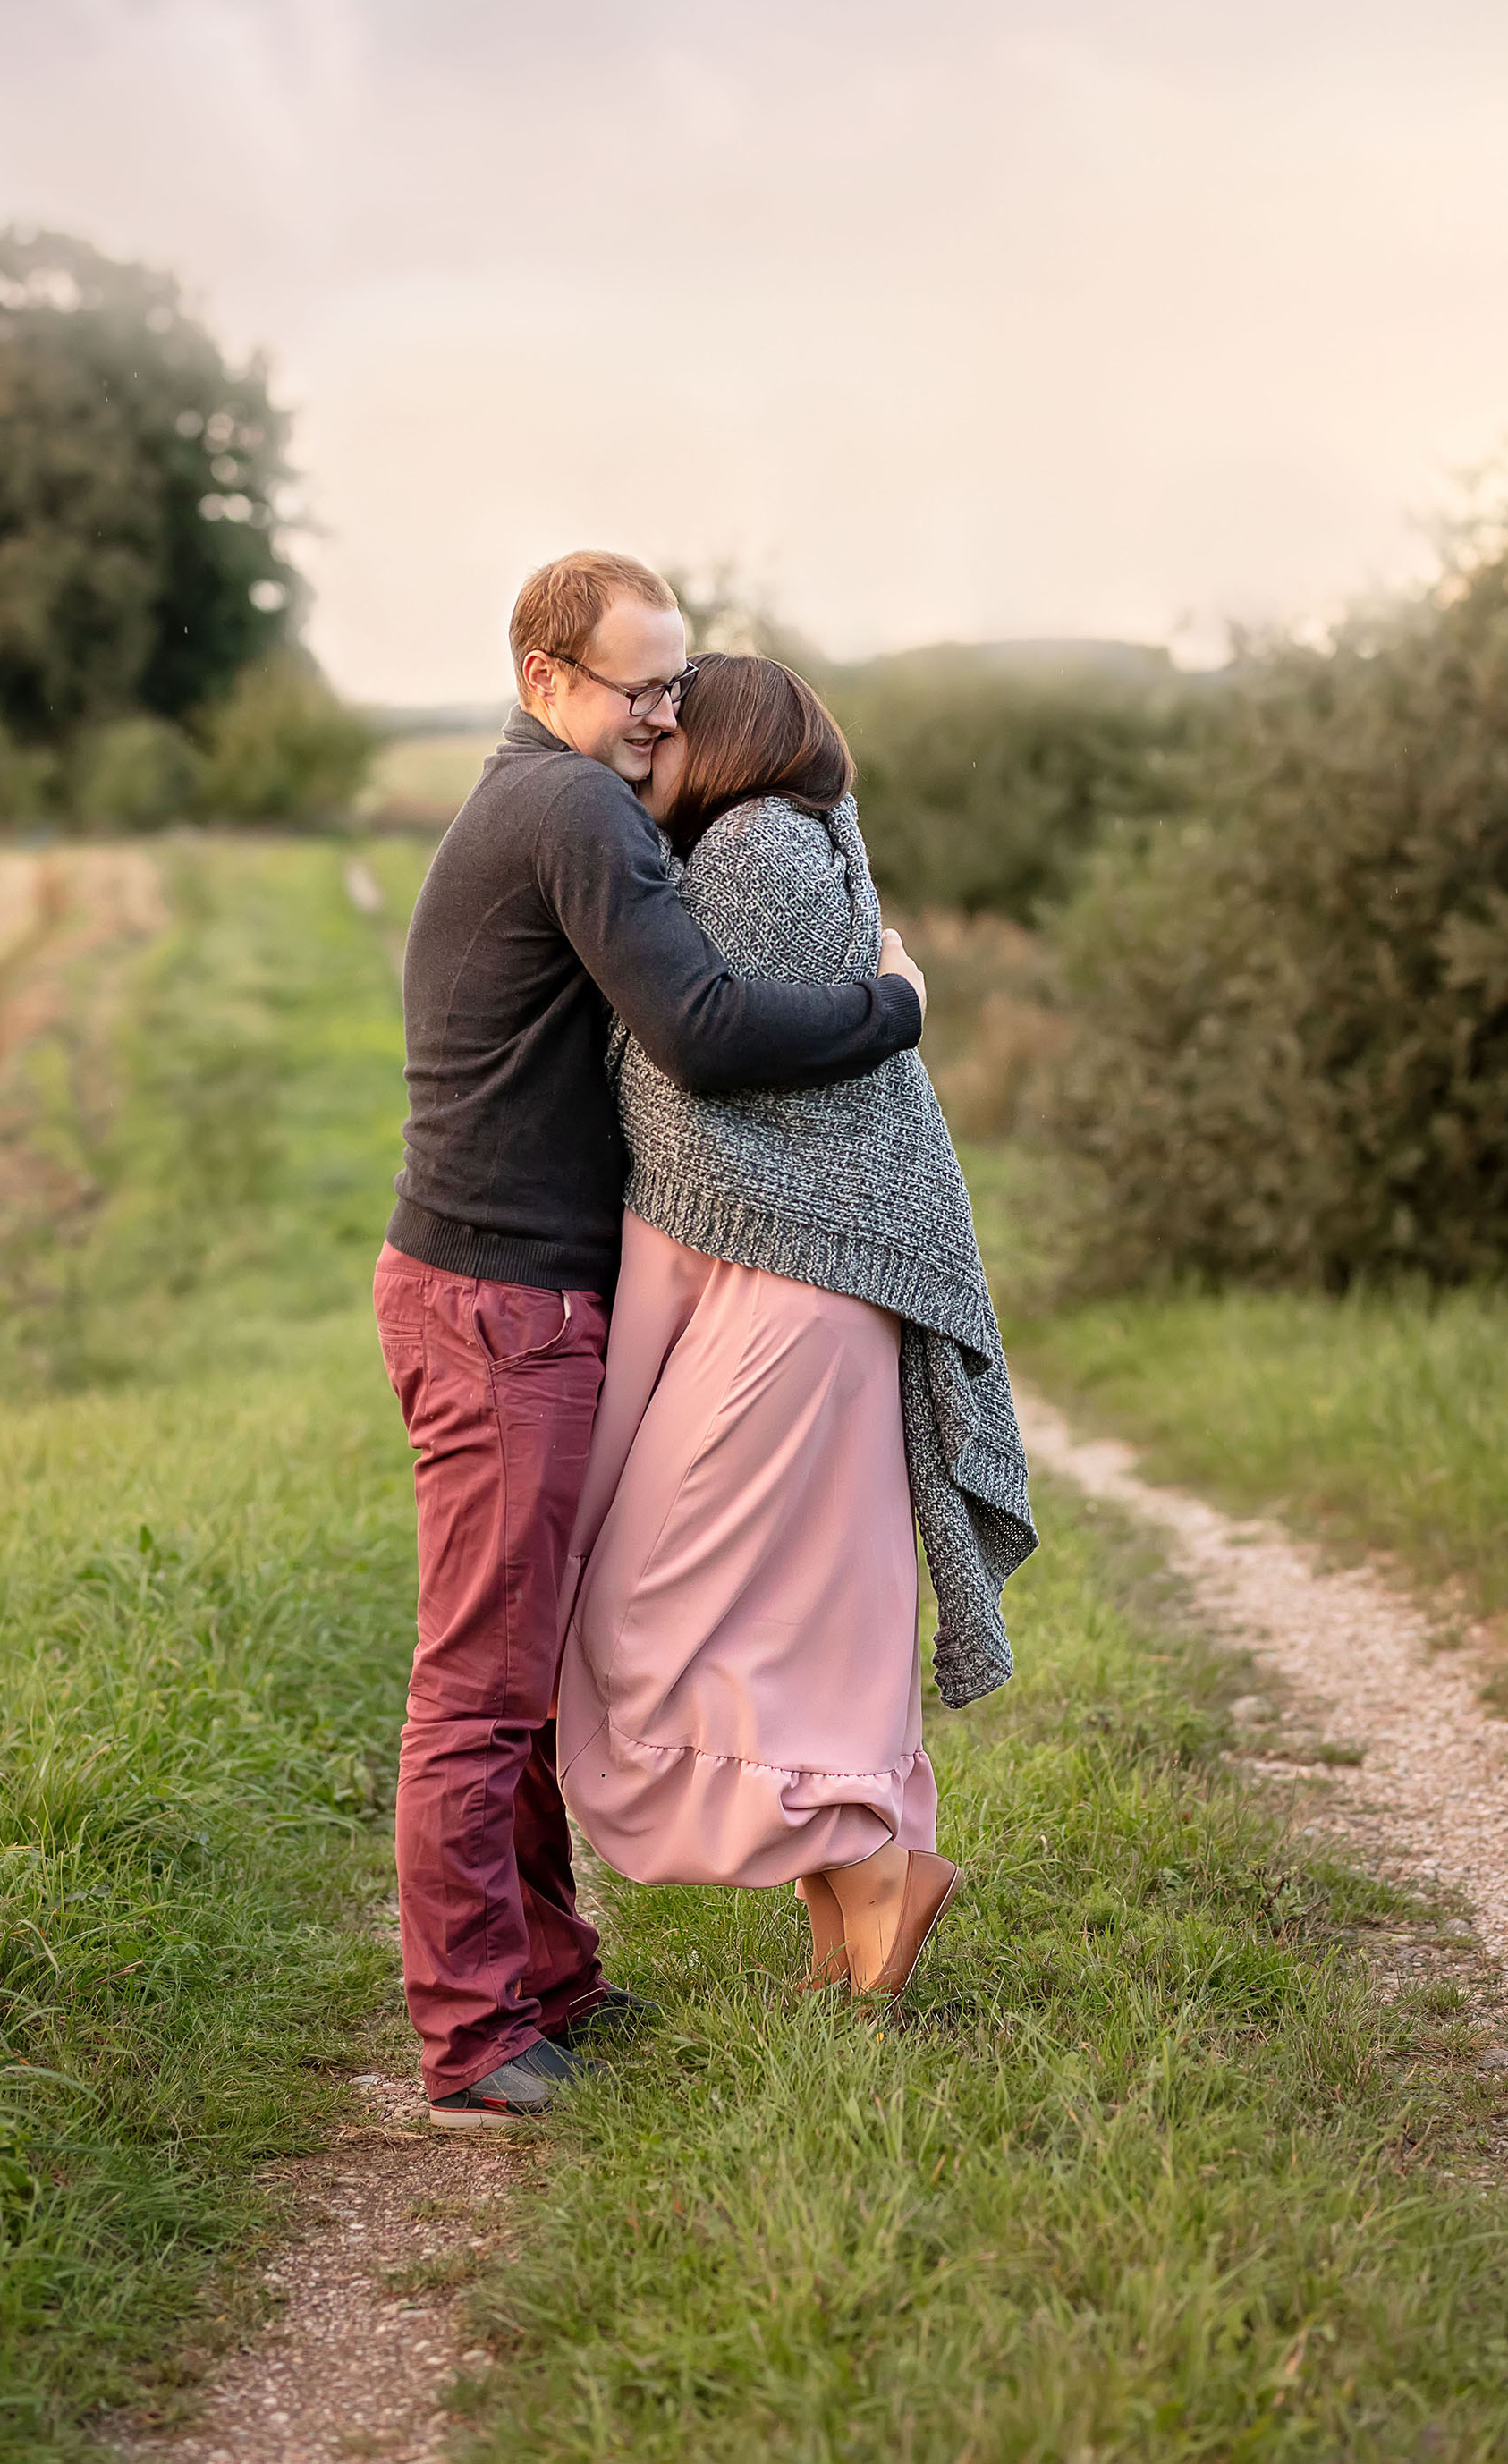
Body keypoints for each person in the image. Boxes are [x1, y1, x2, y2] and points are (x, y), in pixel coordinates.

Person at [372, 554, 928, 2128]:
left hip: (500, 1286)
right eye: (639, 689)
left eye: (676, 688)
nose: (663, 718)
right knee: (484, 1682)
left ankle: (548, 1977)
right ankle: (475, 2029)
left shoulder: (533, 794)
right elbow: (704, 1028)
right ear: (548, 679)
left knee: (526, 1662)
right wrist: (894, 1008)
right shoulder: (576, 806)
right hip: (505, 1300)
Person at [556, 653, 1036, 2003]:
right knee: (808, 1615)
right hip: (791, 1292)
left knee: (653, 1604)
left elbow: (711, 1062)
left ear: (722, 741)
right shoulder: (800, 834)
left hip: (783, 1295)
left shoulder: (758, 846)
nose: (647, 738)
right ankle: (853, 1933)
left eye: (668, 721)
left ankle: (875, 1874)